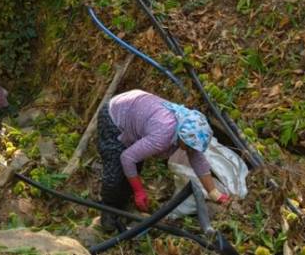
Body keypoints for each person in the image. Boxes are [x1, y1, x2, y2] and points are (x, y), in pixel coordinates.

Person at [96, 89, 230, 231]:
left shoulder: (187, 125)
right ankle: (108, 211)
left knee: (135, 167)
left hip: (136, 108)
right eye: (190, 146)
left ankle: (123, 204)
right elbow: (127, 158)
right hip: (114, 114)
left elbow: (199, 161)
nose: (191, 150)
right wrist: (139, 191)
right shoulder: (163, 135)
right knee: (115, 171)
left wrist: (214, 193)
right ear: (182, 136)